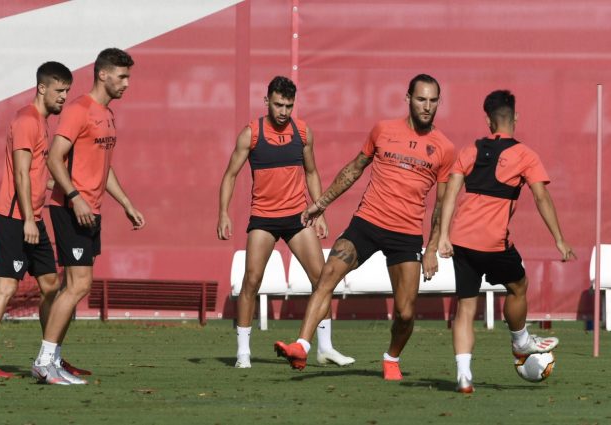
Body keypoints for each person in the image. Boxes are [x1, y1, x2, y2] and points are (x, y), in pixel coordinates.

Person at [274, 74, 456, 380]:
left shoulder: (445, 148)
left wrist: (432, 249)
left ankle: (391, 358)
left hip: (406, 234)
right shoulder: (383, 130)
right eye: (421, 99)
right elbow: (354, 168)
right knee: (327, 275)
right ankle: (301, 346)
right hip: (368, 222)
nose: (427, 106)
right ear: (408, 98)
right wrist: (321, 203)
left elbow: (441, 204)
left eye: (432, 100)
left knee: (405, 312)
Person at [437, 89, 576, 393]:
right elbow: (541, 197)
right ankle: (520, 341)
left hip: (461, 240)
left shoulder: (469, 150)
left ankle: (464, 376)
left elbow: (450, 194)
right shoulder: (525, 155)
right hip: (493, 243)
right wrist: (560, 240)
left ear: (488, 121)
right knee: (518, 285)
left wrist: (444, 236)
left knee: (465, 307)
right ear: (516, 117)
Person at [218, 76, 354, 369]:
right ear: (266, 101)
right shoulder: (251, 134)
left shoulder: (303, 132)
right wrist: (223, 213)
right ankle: (243, 353)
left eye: (288, 106)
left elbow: (312, 172)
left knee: (322, 280)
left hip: (298, 217)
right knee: (251, 281)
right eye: (278, 104)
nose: (283, 111)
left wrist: (320, 212)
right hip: (263, 218)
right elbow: (230, 175)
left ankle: (325, 349)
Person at [31, 48, 146, 385]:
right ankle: (44, 362)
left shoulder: (107, 114)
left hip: (90, 210)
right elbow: (54, 158)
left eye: (128, 77)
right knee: (79, 284)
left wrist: (126, 203)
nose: (126, 83)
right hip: (71, 209)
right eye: (122, 76)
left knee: (73, 285)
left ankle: (53, 359)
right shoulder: (79, 109)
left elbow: (103, 168)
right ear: (102, 74)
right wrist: (75, 198)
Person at [0, 62, 73, 379]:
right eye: (59, 90)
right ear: (42, 88)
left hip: (32, 217)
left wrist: (66, 191)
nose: (64, 96)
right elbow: (20, 174)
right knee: (7, 287)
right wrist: (28, 219)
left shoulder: (40, 122)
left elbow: (36, 175)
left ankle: (50, 357)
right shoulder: (27, 120)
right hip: (15, 218)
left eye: (67, 91)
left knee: (51, 285)